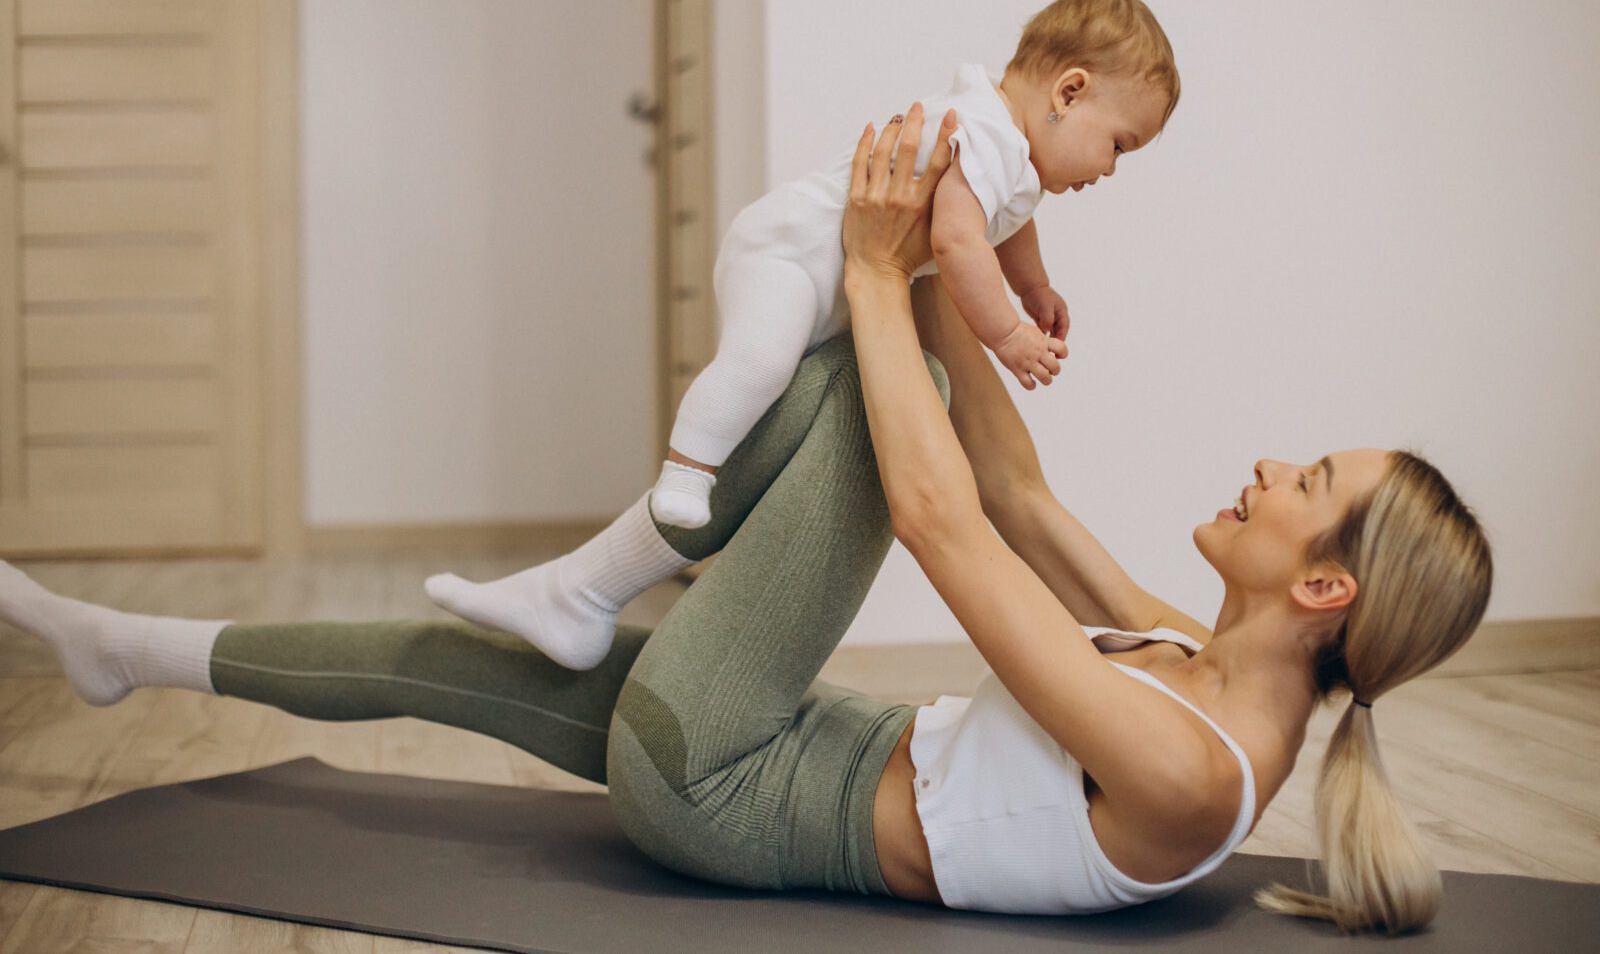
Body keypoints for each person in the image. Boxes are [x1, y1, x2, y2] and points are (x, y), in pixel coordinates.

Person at [0, 107, 1490, 934]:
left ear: (1324, 588)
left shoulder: (1184, 762)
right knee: (428, 656)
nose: (1272, 464)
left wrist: (873, 271)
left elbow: (941, 518)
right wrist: (953, 279)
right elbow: (1019, 494)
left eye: (1308, 483)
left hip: (733, 782)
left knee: (852, 380)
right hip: (786, 728)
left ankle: (604, 568)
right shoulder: (1192, 658)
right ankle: (122, 644)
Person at [426, 0, 1178, 670]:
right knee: (756, 367)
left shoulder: (1013, 162)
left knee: (779, 414)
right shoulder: (982, 130)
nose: (1113, 168)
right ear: (1070, 91)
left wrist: (1035, 285)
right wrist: (1009, 333)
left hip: (838, 288)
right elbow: (956, 242)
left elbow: (1004, 227)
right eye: (1121, 143)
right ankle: (681, 474)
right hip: (785, 254)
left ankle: (580, 594)